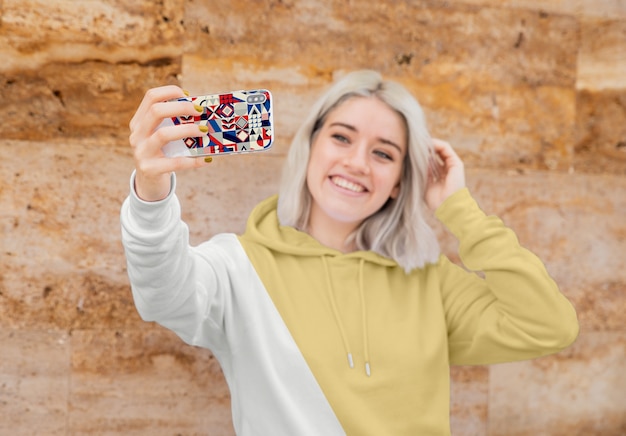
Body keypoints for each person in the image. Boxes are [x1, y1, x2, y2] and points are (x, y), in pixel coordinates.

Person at [120, 70, 579, 435]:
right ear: (311, 147)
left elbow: (549, 325)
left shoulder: (430, 282)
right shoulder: (238, 269)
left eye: (383, 154)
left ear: (400, 180)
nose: (357, 162)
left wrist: (458, 209)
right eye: (341, 137)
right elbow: (161, 294)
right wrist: (152, 190)